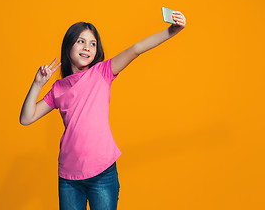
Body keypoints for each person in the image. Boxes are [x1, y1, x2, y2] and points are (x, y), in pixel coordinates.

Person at [20, 11, 186, 210]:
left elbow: (136, 49)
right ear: (69, 45)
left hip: (102, 173)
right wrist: (37, 84)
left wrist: (171, 31)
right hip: (69, 177)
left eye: (92, 44)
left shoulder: (102, 72)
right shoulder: (58, 88)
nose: (87, 48)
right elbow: (26, 118)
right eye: (81, 41)